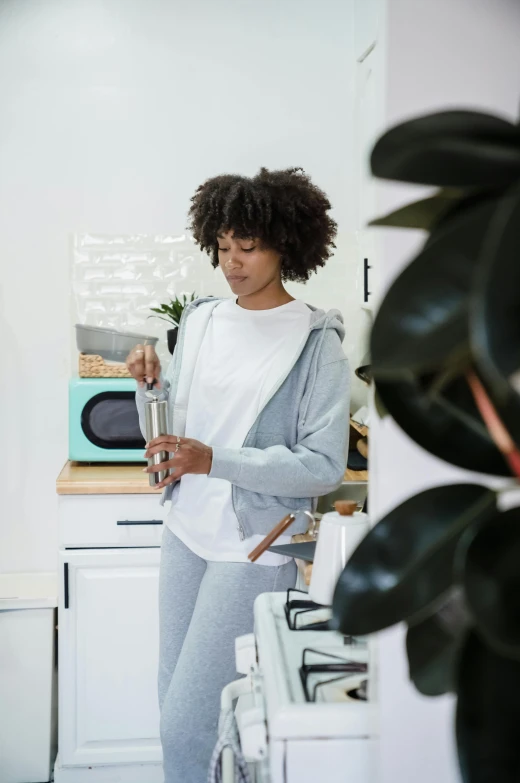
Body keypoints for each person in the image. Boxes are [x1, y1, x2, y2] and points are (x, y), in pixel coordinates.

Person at [126, 167, 351, 782]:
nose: (232, 263)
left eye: (248, 248)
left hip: (252, 545)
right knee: (174, 700)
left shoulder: (314, 342)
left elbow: (324, 465)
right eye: (223, 247)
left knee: (189, 723)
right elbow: (169, 436)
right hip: (186, 528)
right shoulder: (200, 321)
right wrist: (150, 390)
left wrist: (214, 460)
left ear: (287, 245)